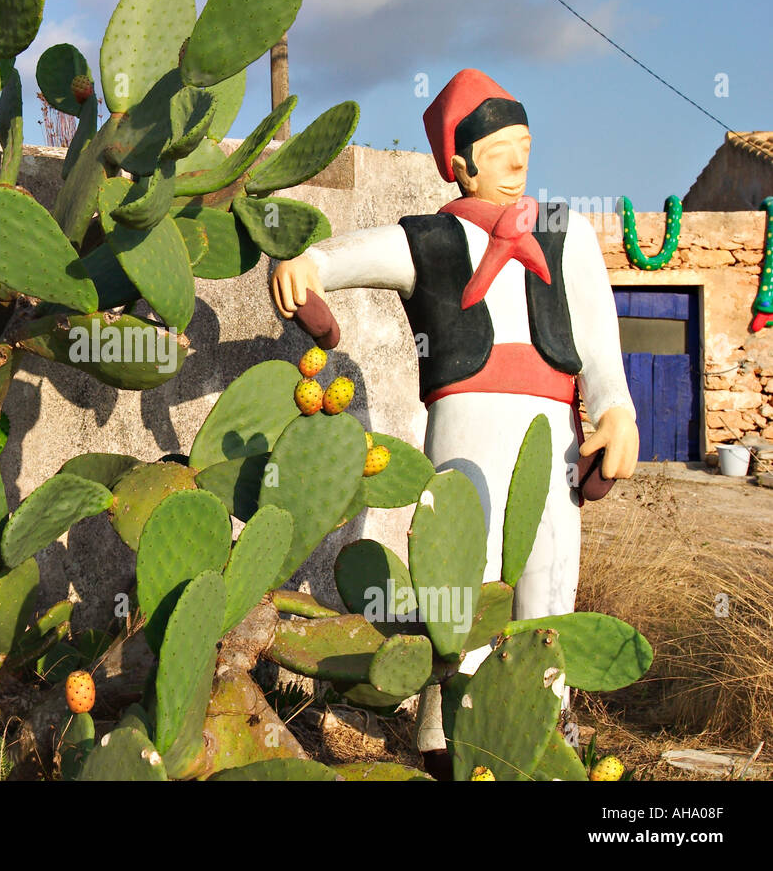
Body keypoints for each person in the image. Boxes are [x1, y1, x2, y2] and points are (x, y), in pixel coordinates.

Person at [271, 69, 638, 774]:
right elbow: (346, 256)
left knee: (548, 582)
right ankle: (444, 744)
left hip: (550, 430)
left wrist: (618, 411)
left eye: (525, 145)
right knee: (461, 585)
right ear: (461, 164)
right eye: (501, 150)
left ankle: (540, 736)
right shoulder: (429, 240)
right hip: (465, 423)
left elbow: (599, 346)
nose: (519, 162)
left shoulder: (567, 235)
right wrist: (308, 264)